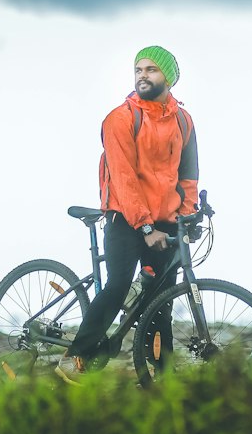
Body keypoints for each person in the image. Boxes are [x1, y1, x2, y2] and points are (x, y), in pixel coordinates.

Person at [63, 45, 197, 376]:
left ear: (168, 77)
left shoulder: (183, 120)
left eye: (151, 69)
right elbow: (123, 179)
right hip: (126, 218)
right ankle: (73, 359)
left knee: (161, 301)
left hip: (165, 221)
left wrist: (188, 216)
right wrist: (146, 228)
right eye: (138, 69)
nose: (142, 75)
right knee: (118, 284)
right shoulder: (120, 119)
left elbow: (189, 174)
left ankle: (160, 376)